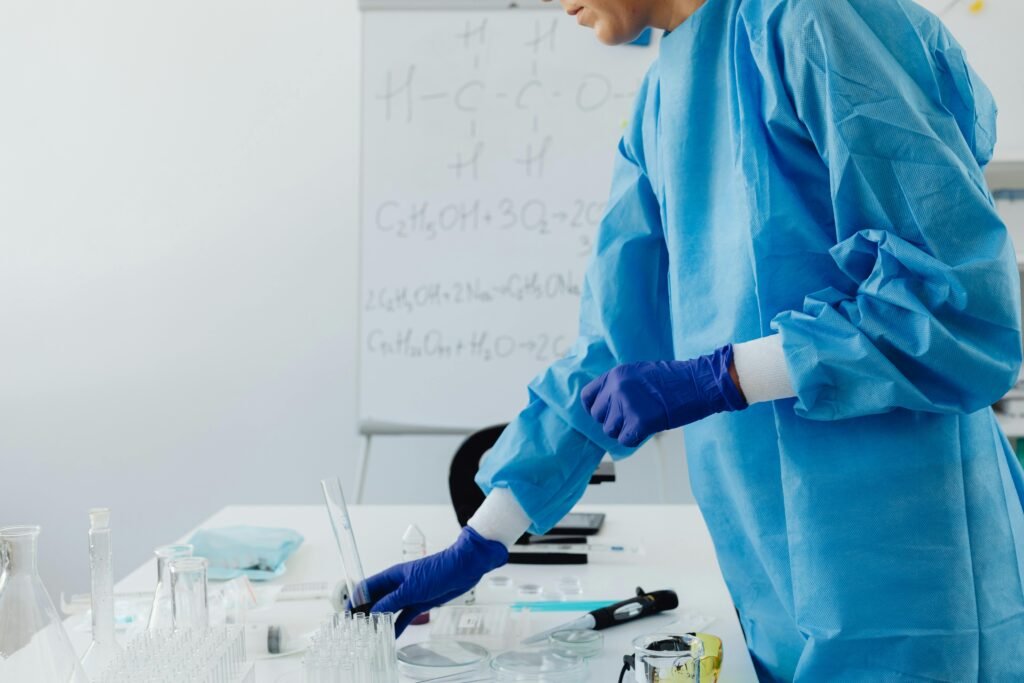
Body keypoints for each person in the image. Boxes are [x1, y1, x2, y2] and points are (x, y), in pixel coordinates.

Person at [359, 0, 1024, 679]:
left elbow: (959, 308)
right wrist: (482, 538)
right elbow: (611, 353)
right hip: (773, 582)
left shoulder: (814, 20)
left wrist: (723, 375)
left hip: (912, 578)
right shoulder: (660, 102)